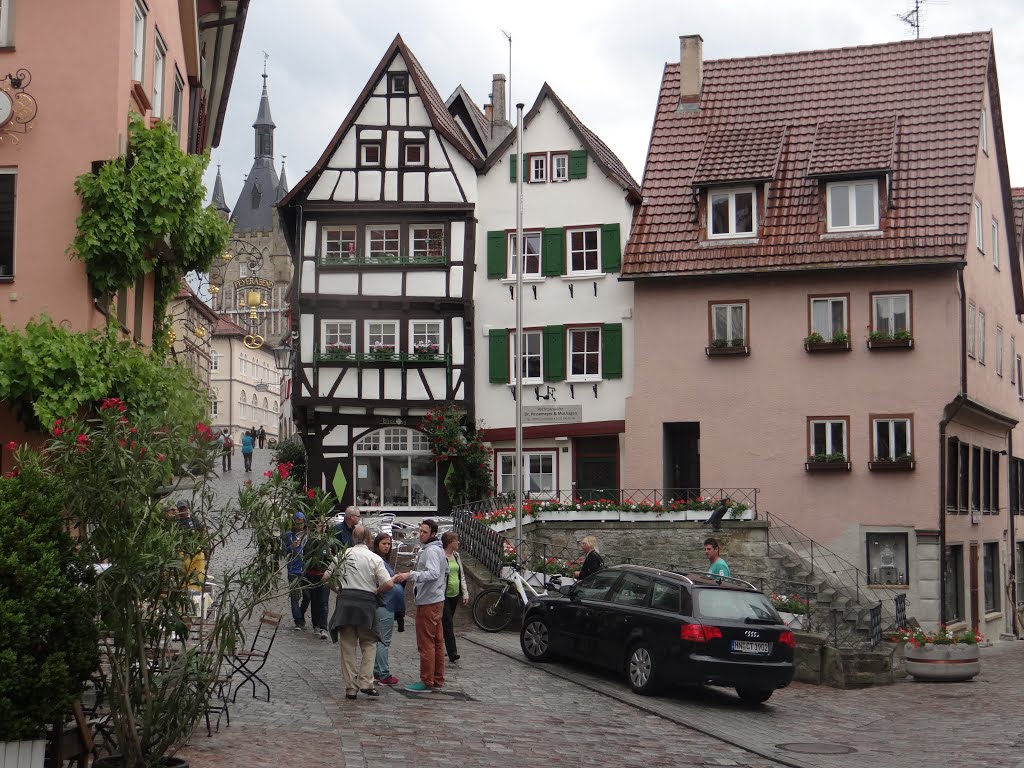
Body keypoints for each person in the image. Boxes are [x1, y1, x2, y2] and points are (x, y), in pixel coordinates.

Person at [325, 525, 394, 700]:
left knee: (347, 647)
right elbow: (388, 583)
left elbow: (326, 577)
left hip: (346, 603)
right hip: (366, 604)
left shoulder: (342, 555)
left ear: (353, 539)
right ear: (369, 540)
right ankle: (366, 682)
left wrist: (338, 590)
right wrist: (375, 592)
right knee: (369, 644)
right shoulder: (374, 558)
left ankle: (350, 688)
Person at [392, 519, 446, 693]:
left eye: (424, 532)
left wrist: (410, 575)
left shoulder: (431, 551)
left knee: (426, 643)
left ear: (432, 534)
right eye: (420, 531)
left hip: (429, 601)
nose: (420, 534)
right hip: (436, 599)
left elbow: (433, 573)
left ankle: (426, 680)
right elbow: (444, 572)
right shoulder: (438, 550)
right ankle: (437, 679)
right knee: (437, 642)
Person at [371, 532, 403, 686]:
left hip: (387, 604)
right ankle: (383, 673)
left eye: (389, 544)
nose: (387, 546)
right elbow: (381, 583)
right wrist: (393, 579)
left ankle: (377, 671)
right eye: (384, 543)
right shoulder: (378, 561)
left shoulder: (383, 561)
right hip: (384, 604)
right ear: (377, 544)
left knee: (380, 639)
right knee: (383, 640)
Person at [440, 531, 469, 663]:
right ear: (449, 542)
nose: (458, 543)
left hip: (454, 594)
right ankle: (452, 652)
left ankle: (438, 646)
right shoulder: (441, 556)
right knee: (448, 623)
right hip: (443, 594)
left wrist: (465, 592)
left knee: (445, 622)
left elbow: (461, 575)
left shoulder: (456, 556)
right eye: (456, 540)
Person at [305, 519, 337, 639]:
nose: (322, 527)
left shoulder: (330, 541)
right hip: (312, 574)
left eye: (324, 525)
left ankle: (324, 627)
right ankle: (316, 625)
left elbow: (336, 557)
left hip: (325, 575)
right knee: (314, 600)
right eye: (320, 525)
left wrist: (331, 555)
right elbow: (306, 554)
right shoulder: (312, 540)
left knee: (324, 602)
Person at [283, 512, 310, 630]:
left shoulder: (308, 536)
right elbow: (283, 551)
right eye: (297, 523)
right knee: (294, 596)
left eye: (301, 523)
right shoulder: (288, 535)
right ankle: (298, 621)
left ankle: (301, 614)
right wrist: (291, 547)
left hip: (306, 569)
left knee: (307, 596)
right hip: (293, 569)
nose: (299, 526)